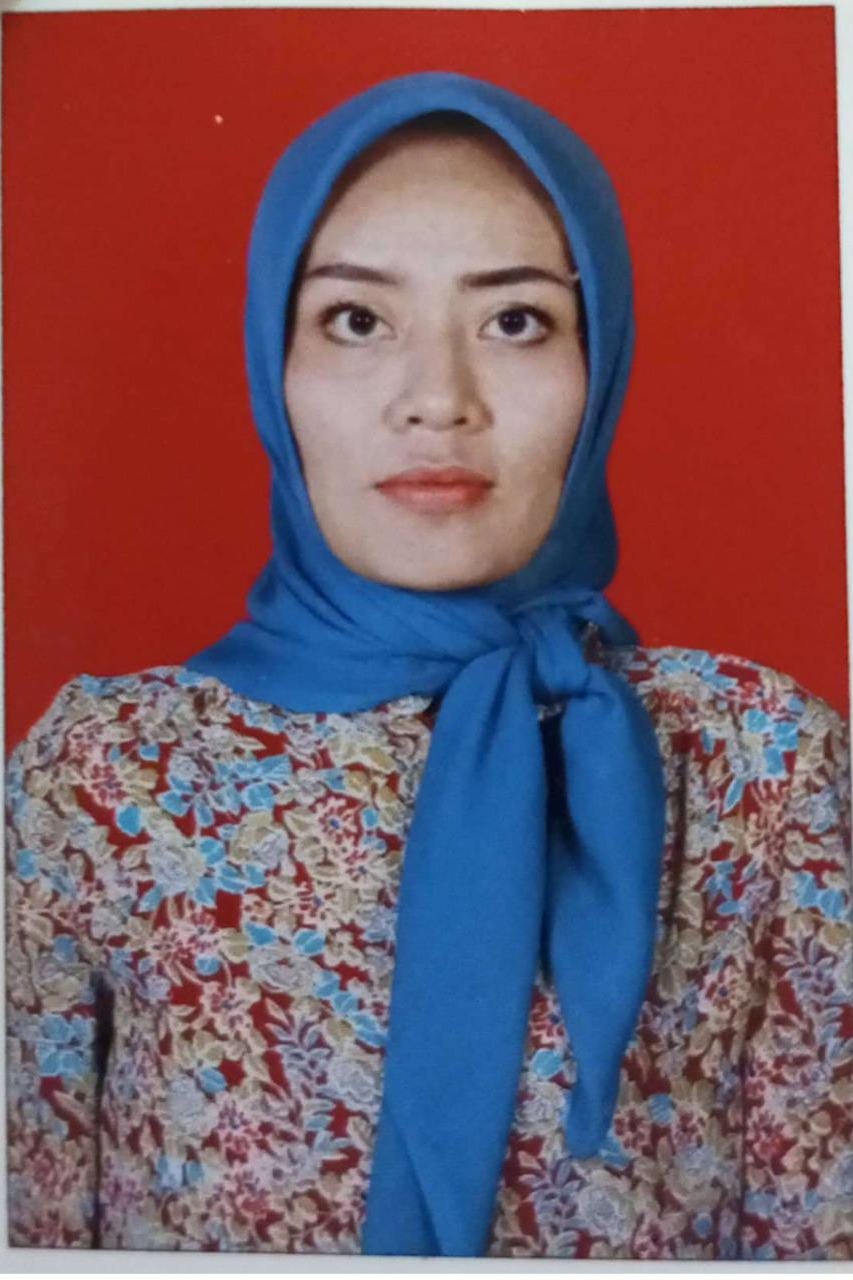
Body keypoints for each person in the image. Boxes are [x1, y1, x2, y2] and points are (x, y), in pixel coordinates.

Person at [5, 71, 852, 1261]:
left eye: (515, 321)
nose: (437, 401)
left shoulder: (759, 765)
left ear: (600, 360)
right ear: (273, 363)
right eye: (357, 320)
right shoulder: (103, 777)